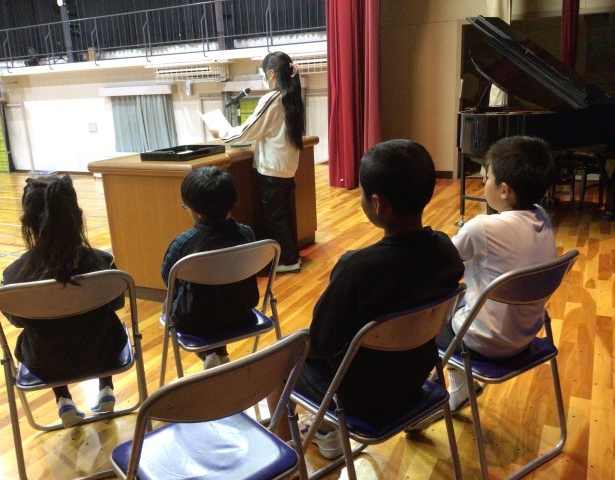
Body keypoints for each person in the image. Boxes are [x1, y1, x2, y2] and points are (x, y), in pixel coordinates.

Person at [270, 139, 464, 456]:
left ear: (377, 203)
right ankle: (325, 429)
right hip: (415, 379)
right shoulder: (445, 251)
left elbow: (320, 342)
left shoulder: (357, 268)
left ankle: (286, 454)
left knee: (281, 358)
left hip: (359, 399)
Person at [433, 135, 558, 414]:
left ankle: (430, 395)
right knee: (464, 295)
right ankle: (460, 388)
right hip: (525, 335)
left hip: (484, 343)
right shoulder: (542, 217)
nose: (482, 182)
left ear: (504, 190)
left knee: (430, 312)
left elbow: (441, 264)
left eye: (486, 177)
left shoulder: (482, 228)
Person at [1, 175, 128, 428]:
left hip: (45, 364)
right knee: (102, 322)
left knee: (45, 333)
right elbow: (116, 305)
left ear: (25, 220)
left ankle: (63, 400)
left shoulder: (13, 276)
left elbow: (17, 321)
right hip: (105, 354)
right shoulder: (103, 263)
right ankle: (106, 388)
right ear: (77, 215)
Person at [213, 51, 305, 274]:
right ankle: (292, 256)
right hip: (286, 167)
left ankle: (288, 261)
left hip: (272, 169)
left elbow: (248, 131)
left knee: (274, 219)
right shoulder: (291, 96)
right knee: (284, 216)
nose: (263, 77)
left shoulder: (272, 98)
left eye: (263, 72)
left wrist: (221, 132)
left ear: (271, 73)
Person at [161, 166, 260, 369]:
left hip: (195, 319)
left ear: (192, 208)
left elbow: (167, 278)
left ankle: (212, 353)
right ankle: (217, 353)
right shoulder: (247, 234)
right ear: (233, 202)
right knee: (221, 298)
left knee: (173, 304)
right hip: (242, 311)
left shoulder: (184, 242)